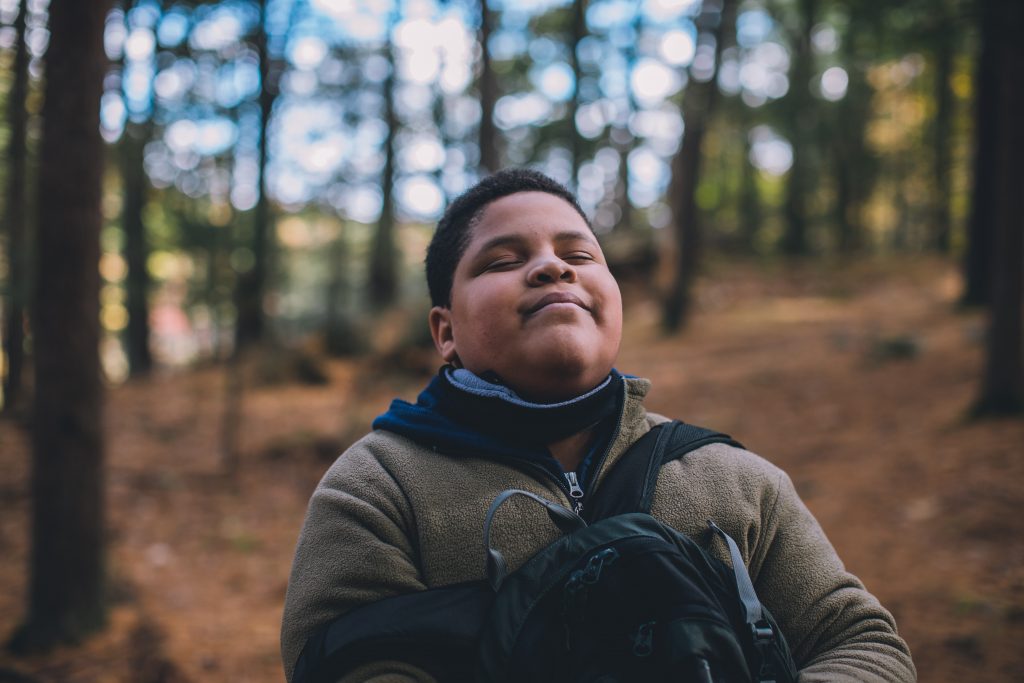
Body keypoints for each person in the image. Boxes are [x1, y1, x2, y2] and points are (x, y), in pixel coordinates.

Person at [280, 169, 916, 682]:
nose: (553, 268)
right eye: (503, 261)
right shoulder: (375, 489)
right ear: (445, 332)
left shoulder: (736, 480)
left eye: (578, 254)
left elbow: (860, 644)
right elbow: (347, 664)